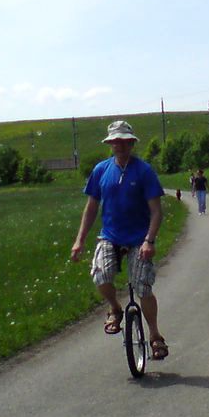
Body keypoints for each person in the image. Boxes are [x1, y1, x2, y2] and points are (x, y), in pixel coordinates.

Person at [70, 120, 168, 360]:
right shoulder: (101, 170)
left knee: (143, 286)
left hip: (139, 238)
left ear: (132, 143)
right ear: (110, 144)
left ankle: (155, 335)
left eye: (124, 141)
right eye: (115, 141)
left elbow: (156, 211)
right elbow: (91, 207)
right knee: (101, 276)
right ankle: (115, 308)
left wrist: (149, 241)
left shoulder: (143, 171)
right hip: (110, 236)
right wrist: (79, 240)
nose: (120, 145)